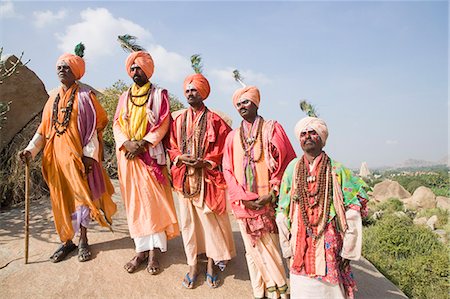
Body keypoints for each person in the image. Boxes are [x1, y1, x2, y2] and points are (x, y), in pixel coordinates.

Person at [18, 44, 116, 263]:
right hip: (54, 160)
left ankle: (83, 240)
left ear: (76, 71)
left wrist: (90, 156)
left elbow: (93, 129)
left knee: (82, 199)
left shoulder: (85, 97)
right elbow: (43, 131)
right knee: (60, 200)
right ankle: (67, 242)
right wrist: (30, 150)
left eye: (66, 67)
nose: (62, 70)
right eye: (59, 67)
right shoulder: (52, 99)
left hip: (77, 159)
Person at [276, 116, 369, 299]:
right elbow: (282, 210)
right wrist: (286, 248)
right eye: (303, 134)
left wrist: (348, 250)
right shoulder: (292, 169)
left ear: (322, 138)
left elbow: (355, 207)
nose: (307, 137)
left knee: (330, 292)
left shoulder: (337, 169)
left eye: (313, 133)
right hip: (299, 244)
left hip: (330, 247)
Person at [223, 85, 297, 299]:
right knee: (252, 251)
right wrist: (242, 198)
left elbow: (286, 164)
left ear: (256, 103)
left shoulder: (272, 129)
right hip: (243, 206)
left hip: (268, 203)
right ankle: (259, 292)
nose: (241, 107)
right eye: (238, 104)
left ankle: (279, 292)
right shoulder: (232, 137)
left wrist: (273, 192)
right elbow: (227, 170)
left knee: (271, 250)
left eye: (245, 102)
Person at [113, 50, 179, 274]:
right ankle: (140, 251)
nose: (135, 71)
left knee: (153, 204)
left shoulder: (159, 94)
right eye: (132, 68)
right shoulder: (124, 97)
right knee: (135, 206)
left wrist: (142, 144)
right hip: (128, 158)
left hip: (149, 156)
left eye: (139, 67)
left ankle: (153, 254)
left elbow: (162, 124)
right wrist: (127, 144)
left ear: (148, 70)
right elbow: (116, 125)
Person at [168, 71, 236, 289]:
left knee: (210, 223)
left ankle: (212, 265)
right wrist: (180, 157)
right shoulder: (178, 119)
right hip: (184, 179)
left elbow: (226, 149)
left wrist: (205, 162)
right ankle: (193, 264)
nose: (190, 93)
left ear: (203, 93)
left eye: (194, 89)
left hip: (208, 179)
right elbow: (171, 146)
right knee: (188, 224)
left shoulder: (216, 120)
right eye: (187, 90)